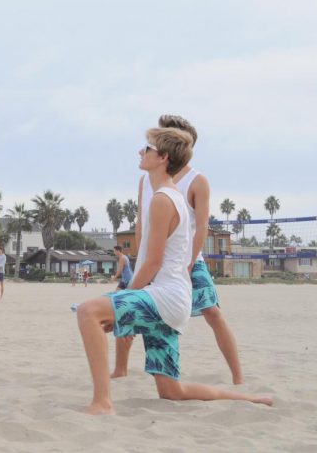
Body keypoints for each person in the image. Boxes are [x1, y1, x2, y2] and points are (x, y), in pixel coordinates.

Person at [75, 128, 271, 415]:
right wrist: (121, 309)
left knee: (88, 311)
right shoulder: (166, 194)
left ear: (163, 158)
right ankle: (249, 399)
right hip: (172, 300)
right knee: (171, 391)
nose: (141, 152)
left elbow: (153, 263)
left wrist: (123, 301)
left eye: (148, 149)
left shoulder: (163, 200)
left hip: (166, 296)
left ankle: (102, 402)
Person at [112, 115, 244, 384]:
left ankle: (238, 376)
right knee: (126, 306)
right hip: (152, 258)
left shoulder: (197, 180)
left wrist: (188, 263)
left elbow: (203, 228)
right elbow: (142, 223)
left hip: (187, 259)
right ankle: (120, 368)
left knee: (213, 313)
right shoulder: (147, 178)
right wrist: (141, 260)